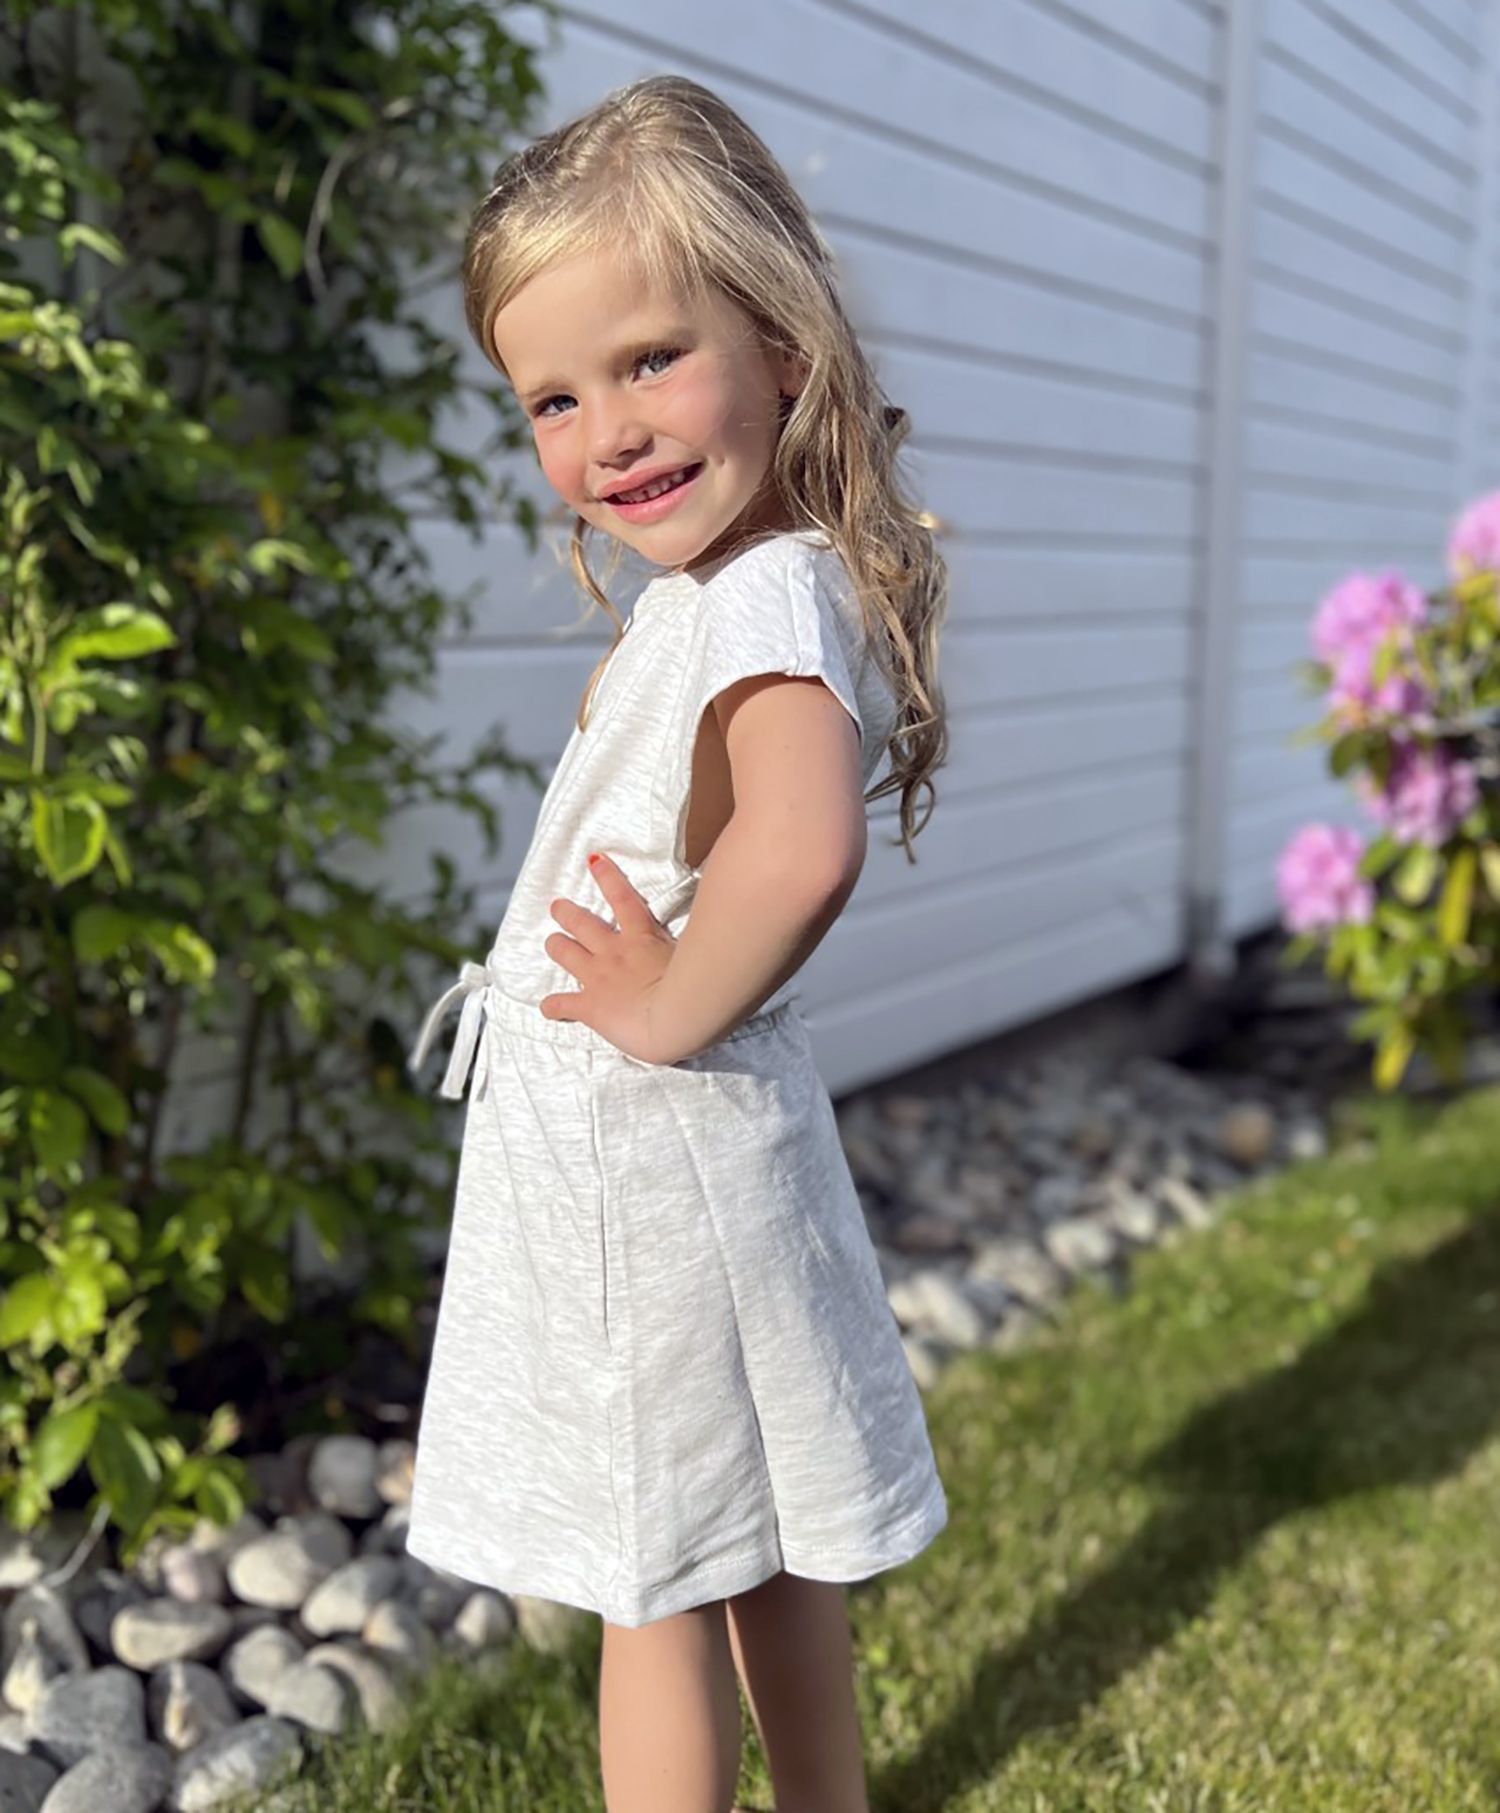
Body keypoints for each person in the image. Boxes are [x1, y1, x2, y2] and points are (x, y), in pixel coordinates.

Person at [403, 72, 952, 1813]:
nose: (610, 433)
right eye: (556, 399)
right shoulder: (726, 590)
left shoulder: (764, 594)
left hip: (652, 1183)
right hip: (683, 1167)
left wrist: (659, 1010)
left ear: (782, 344)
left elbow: (801, 842)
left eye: (651, 360)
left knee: (654, 1588)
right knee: (761, 1540)